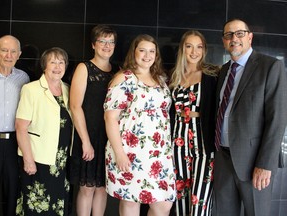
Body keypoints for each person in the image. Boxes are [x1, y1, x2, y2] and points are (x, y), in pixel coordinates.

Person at [213, 19, 287, 216]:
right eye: (229, 35)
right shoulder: (224, 71)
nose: (234, 39)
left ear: (249, 37)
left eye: (239, 33)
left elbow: (277, 119)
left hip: (254, 162)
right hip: (223, 159)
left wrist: (264, 164)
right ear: (223, 41)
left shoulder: (270, 67)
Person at [104, 34, 176, 216]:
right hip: (129, 151)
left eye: (152, 51)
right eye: (142, 50)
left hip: (158, 154)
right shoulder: (124, 78)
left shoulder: (160, 79)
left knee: (164, 205)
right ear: (133, 52)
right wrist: (119, 154)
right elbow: (110, 118)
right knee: (130, 201)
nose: (147, 55)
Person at [15, 47, 72, 215]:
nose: (57, 66)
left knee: (57, 203)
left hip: (61, 160)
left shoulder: (68, 89)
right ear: (44, 66)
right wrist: (28, 160)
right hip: (38, 159)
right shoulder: (31, 89)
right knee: (37, 205)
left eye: (61, 62)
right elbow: (21, 127)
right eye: (53, 62)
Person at [169, 30, 220, 216]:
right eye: (189, 46)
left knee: (199, 201)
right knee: (180, 198)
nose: (194, 52)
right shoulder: (174, 76)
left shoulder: (213, 74)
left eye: (199, 47)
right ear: (183, 48)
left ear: (204, 49)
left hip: (204, 146)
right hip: (178, 145)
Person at [69, 24, 118, 216]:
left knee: (102, 187)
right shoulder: (84, 68)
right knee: (87, 188)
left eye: (111, 42)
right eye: (102, 41)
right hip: (88, 136)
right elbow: (75, 106)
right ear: (93, 44)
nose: (107, 45)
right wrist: (85, 142)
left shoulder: (118, 71)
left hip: (108, 138)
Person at [0, 35, 29, 216]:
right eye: (4, 50)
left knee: (12, 190)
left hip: (13, 143)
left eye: (13, 51)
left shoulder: (23, 78)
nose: (8, 55)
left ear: (19, 54)